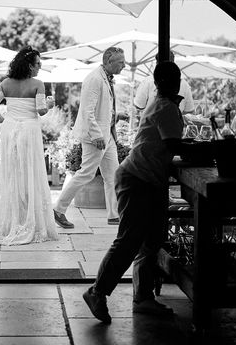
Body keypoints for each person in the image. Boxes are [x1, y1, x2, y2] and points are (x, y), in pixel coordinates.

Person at [82, 61, 184, 324]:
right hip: (139, 179)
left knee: (150, 241)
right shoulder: (167, 107)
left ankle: (143, 298)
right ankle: (97, 292)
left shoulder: (160, 103)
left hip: (142, 177)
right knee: (129, 241)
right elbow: (175, 145)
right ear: (176, 82)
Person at [0, 45, 59, 245]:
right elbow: (40, 110)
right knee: (30, 172)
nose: (40, 67)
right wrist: (50, 104)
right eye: (38, 63)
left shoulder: (5, 83)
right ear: (30, 66)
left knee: (12, 173)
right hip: (29, 130)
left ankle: (13, 220)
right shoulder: (38, 84)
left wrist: (2, 121)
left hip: (10, 129)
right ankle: (30, 221)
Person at [53, 47, 125, 229]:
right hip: (96, 137)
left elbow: (103, 109)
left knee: (113, 175)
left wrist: (114, 118)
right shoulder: (94, 79)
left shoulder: (106, 79)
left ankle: (114, 215)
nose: (124, 65)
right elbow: (87, 111)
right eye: (120, 62)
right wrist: (97, 135)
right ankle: (58, 209)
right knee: (86, 173)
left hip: (107, 135)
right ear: (109, 61)